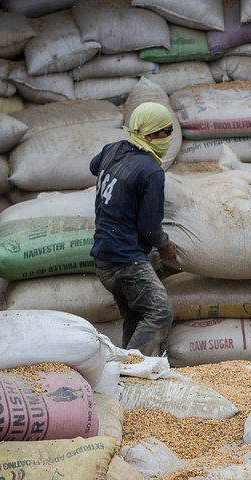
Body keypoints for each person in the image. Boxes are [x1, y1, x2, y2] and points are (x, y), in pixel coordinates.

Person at [89, 102, 177, 357]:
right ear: (149, 135)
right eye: (166, 131)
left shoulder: (113, 149)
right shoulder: (151, 171)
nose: (169, 136)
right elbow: (149, 228)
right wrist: (165, 244)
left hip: (103, 258)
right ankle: (128, 371)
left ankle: (128, 377)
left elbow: (94, 167)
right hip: (126, 260)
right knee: (160, 313)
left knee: (136, 316)